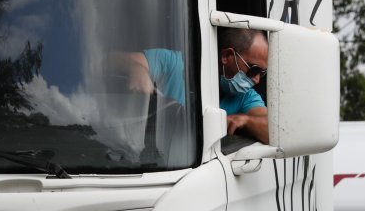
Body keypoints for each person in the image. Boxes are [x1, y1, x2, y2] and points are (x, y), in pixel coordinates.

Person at [115, 27, 268, 143]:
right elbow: (105, 61)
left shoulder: (246, 97)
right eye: (253, 69)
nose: (256, 80)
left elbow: (273, 131)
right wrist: (138, 68)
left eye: (261, 72)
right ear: (226, 56)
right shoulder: (173, 64)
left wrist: (247, 121)